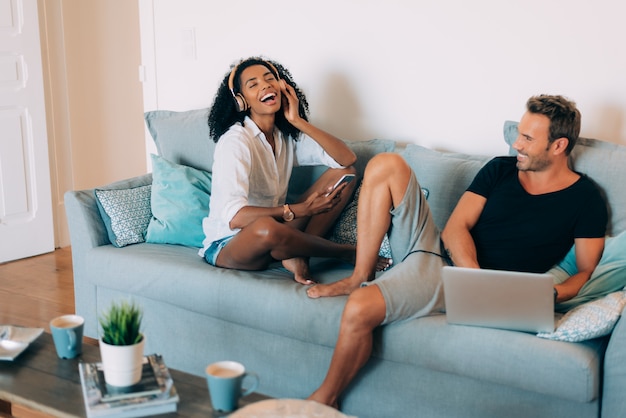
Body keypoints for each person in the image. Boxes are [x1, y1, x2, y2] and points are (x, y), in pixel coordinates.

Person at [306, 94, 608, 408]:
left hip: (442, 275)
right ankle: (360, 274)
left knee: (359, 308)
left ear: (558, 146)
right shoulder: (500, 170)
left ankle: (322, 401)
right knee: (386, 164)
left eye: (528, 138)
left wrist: (554, 294)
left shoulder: (585, 200)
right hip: (436, 248)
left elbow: (586, 271)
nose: (516, 144)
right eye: (519, 133)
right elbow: (455, 228)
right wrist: (474, 279)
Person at [199, 56, 377, 284]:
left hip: (277, 230)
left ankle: (298, 253)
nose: (265, 85)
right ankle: (346, 252)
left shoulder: (285, 136)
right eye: (253, 84)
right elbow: (235, 217)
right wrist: (299, 210)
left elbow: (346, 159)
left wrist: (297, 120)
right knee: (265, 227)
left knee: (346, 174)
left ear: (282, 87)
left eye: (270, 79)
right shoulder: (236, 141)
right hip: (229, 244)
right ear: (242, 101)